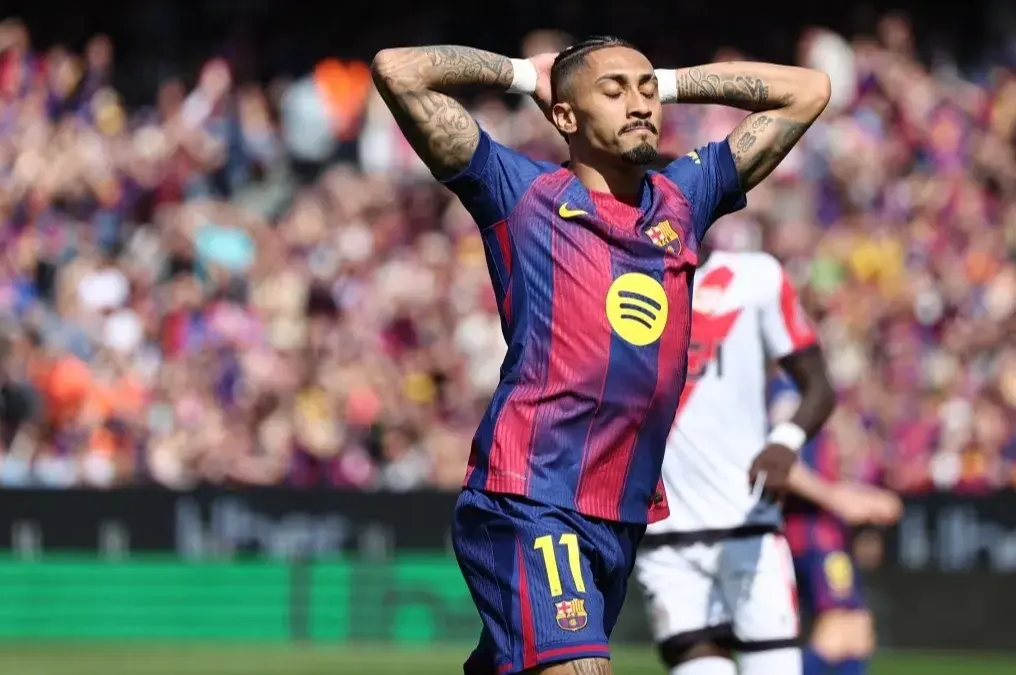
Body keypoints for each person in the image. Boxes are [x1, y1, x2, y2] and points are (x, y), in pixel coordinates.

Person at [370, 36, 831, 675]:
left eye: (646, 91)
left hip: (619, 512)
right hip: (532, 493)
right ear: (565, 115)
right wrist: (521, 75)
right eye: (613, 92)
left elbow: (808, 91)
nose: (639, 104)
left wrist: (666, 82)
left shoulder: (683, 198)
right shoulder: (521, 193)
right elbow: (398, 70)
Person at [633, 241, 900, 675]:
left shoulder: (755, 280)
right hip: (672, 535)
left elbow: (816, 395)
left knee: (839, 635)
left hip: (755, 528)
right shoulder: (619, 273)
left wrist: (789, 445)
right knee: (842, 632)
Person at [770, 377, 901, 675]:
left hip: (825, 532)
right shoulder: (789, 392)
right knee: (839, 629)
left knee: (857, 633)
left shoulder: (810, 387)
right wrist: (837, 500)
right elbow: (780, 462)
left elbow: (825, 474)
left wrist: (863, 499)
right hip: (810, 534)